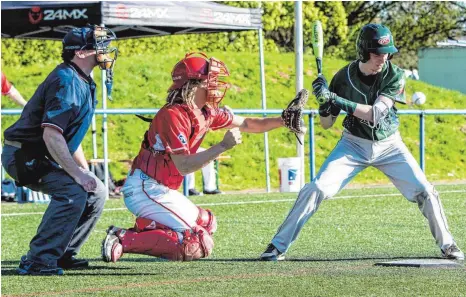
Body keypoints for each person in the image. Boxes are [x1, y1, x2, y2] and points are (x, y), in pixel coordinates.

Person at [260, 24, 464, 261]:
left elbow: (375, 114)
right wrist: (324, 102)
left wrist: (335, 98)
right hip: (353, 145)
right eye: (377, 53)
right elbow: (327, 123)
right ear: (364, 52)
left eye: (387, 52)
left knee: (426, 191)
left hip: (390, 146)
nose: (383, 57)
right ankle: (278, 246)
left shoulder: (395, 74)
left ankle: (447, 244)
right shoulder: (342, 77)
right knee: (315, 188)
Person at [101, 52, 307, 263]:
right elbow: (183, 166)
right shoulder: (173, 115)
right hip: (145, 188)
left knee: (207, 223)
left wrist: (283, 120)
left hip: (160, 189)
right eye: (211, 80)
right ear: (193, 85)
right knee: (196, 243)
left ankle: (148, 228)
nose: (216, 85)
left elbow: (248, 124)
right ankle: (124, 239)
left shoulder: (205, 111)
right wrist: (222, 146)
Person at [1, 25, 118, 275]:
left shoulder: (82, 78)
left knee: (96, 191)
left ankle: (62, 252)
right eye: (99, 46)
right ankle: (39, 259)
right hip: (23, 155)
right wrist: (77, 175)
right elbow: (51, 134)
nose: (106, 51)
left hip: (41, 154)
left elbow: (67, 137)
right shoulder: (66, 81)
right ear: (81, 53)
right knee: (73, 191)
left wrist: (85, 172)